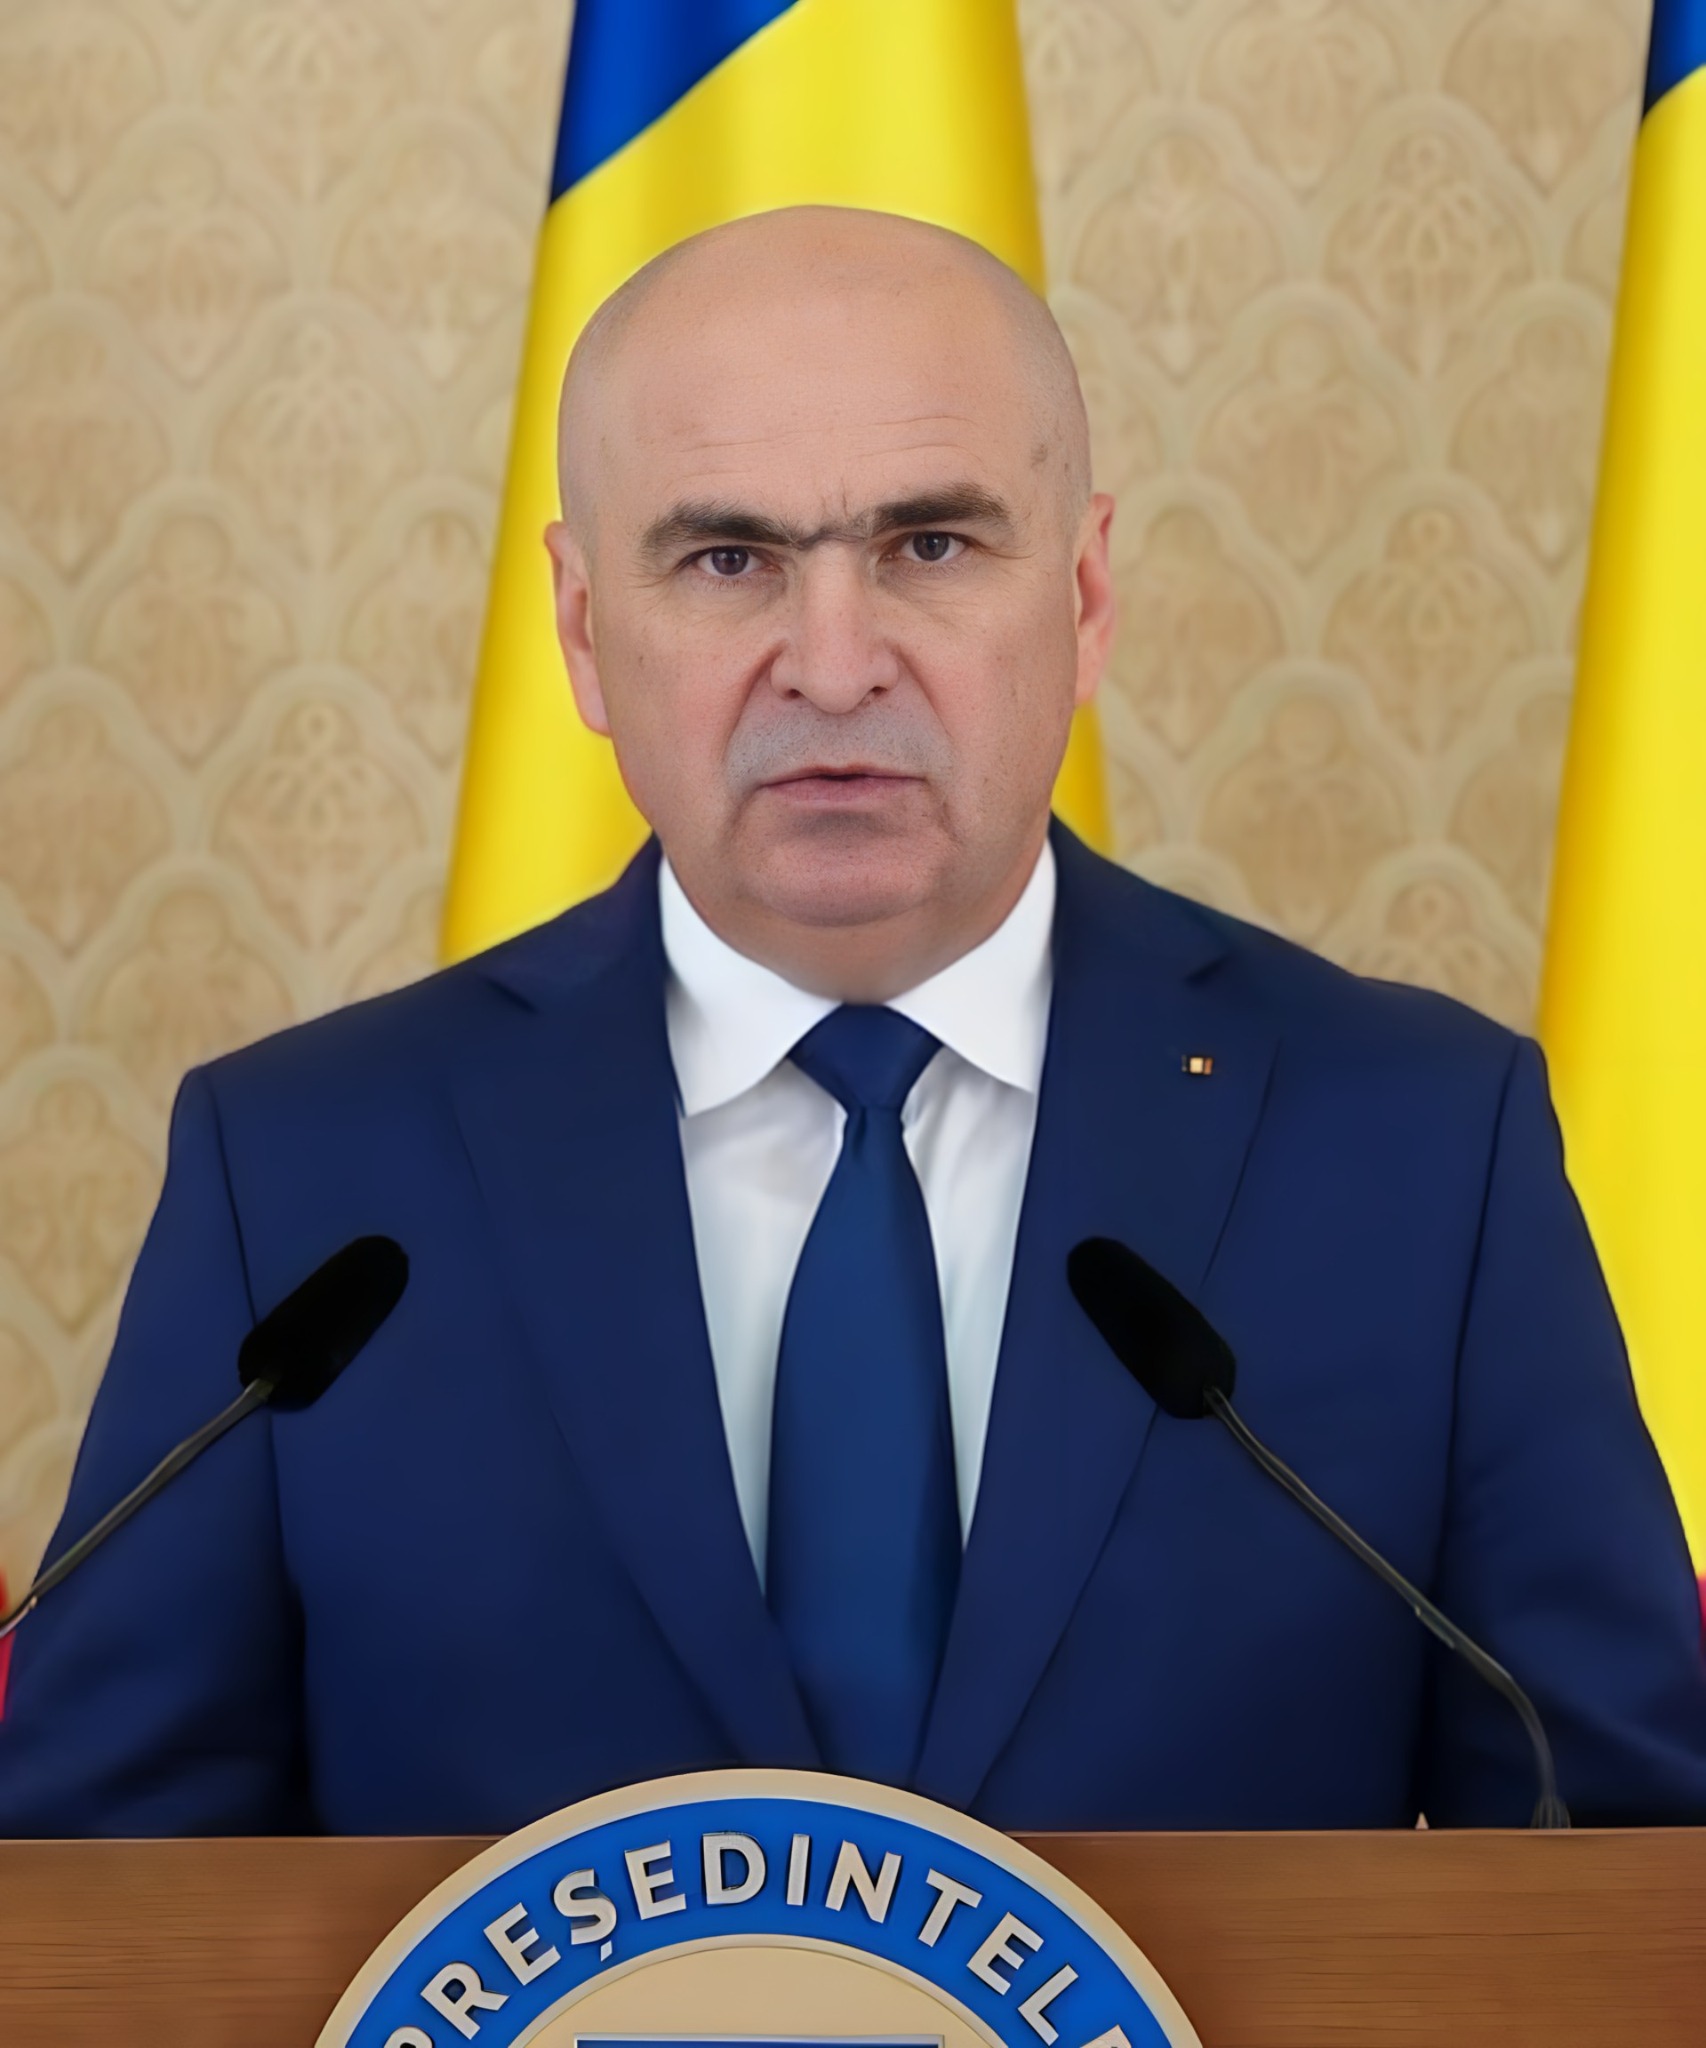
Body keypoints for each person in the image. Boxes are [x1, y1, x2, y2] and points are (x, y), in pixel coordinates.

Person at [2, 208, 1702, 1837]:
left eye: (929, 546)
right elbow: (97, 1883)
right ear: (585, 630)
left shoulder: (1418, 1145)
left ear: (1085, 596)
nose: (831, 666)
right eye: (727, 558)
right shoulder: (305, 1178)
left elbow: (1616, 1859)